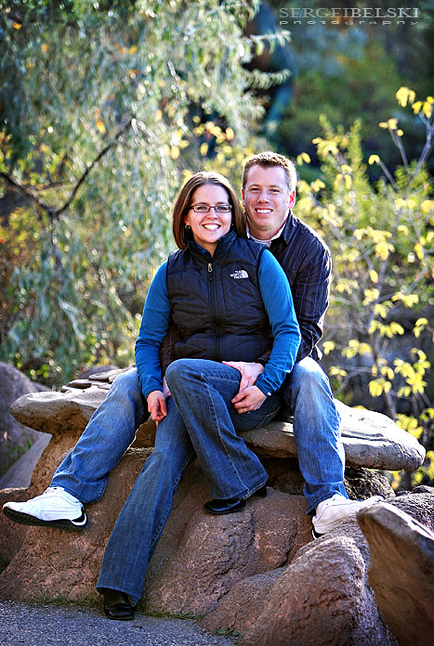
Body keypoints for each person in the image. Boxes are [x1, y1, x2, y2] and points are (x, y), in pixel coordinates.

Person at [3, 171, 301, 620]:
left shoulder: (259, 261)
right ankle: (119, 584)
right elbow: (147, 343)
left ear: (232, 214)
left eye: (222, 207)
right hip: (187, 392)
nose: (213, 214)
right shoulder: (171, 272)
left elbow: (288, 332)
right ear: (185, 216)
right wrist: (151, 386)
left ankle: (238, 474)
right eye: (201, 207)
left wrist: (265, 384)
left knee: (182, 370)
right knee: (162, 458)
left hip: (245, 394)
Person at [224, 151, 381, 539]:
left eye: (274, 190)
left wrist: (264, 368)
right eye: (254, 189)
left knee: (311, 378)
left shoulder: (311, 251)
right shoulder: (222, 235)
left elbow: (308, 330)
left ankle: (328, 502)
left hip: (289, 359)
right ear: (242, 195)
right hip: (228, 355)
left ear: (291, 197)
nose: (263, 199)